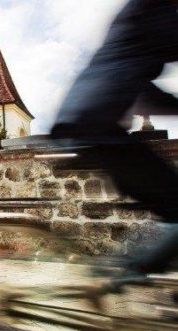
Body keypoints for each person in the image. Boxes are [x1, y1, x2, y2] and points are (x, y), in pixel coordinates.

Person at [50, 0, 178, 276]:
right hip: (97, 125)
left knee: (167, 203)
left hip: (86, 121)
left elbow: (142, 88)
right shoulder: (155, 9)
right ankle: (129, 273)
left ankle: (137, 270)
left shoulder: (139, 17)